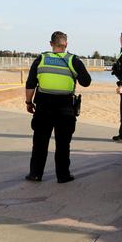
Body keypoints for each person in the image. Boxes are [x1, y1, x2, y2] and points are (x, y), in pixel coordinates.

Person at [24, 31, 91, 183]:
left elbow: (30, 84)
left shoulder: (41, 59)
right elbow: (86, 82)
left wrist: (29, 102)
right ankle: (63, 175)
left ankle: (35, 174)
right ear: (66, 44)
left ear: (51, 44)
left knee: (40, 142)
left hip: (43, 108)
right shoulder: (73, 60)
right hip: (65, 109)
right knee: (62, 144)